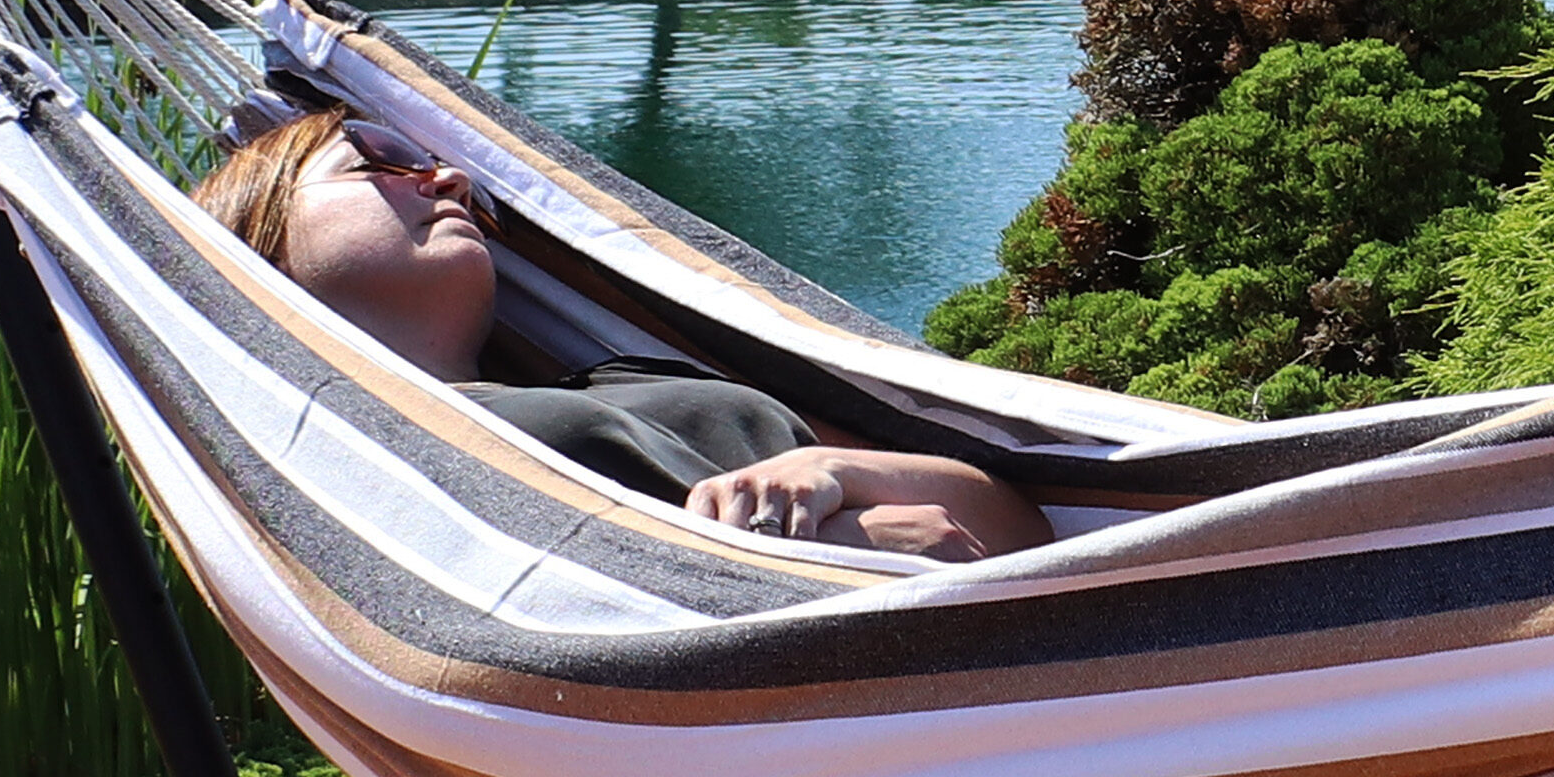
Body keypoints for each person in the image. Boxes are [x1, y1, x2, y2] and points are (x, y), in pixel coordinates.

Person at [192, 110, 1050, 563]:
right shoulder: (350, 457)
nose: (445, 175)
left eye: (433, 161)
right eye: (378, 163)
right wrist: (840, 563)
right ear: (256, 235)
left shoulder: (615, 375)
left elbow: (1019, 524)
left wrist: (831, 471)